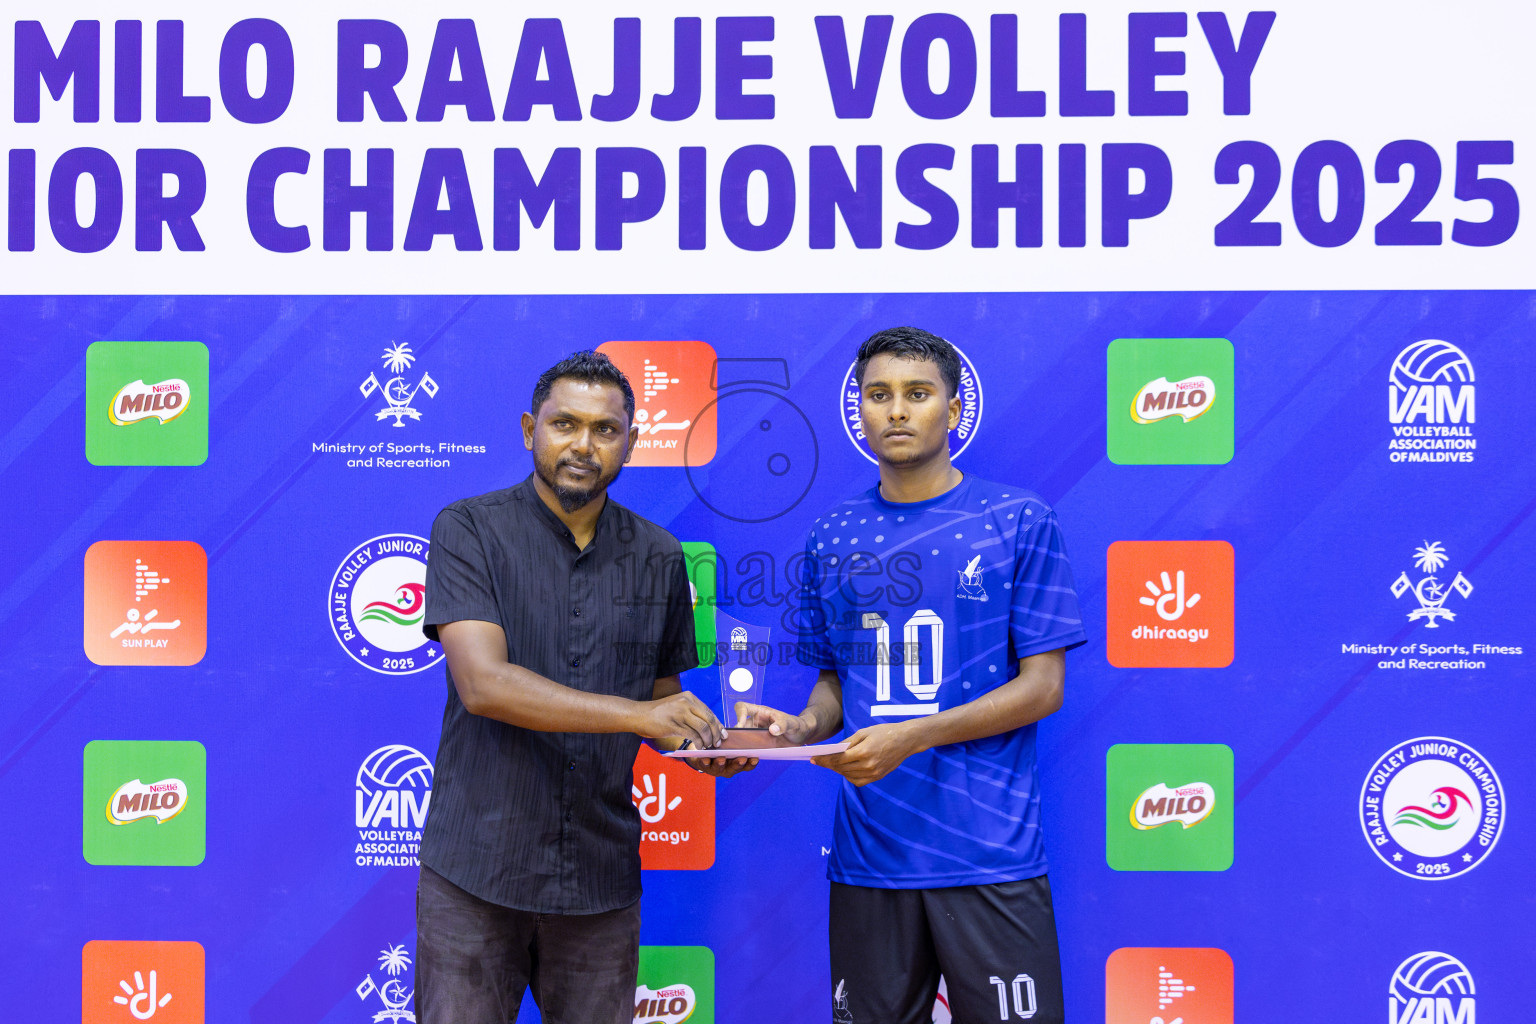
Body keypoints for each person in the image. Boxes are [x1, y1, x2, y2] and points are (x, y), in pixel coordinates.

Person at [739, 327, 1088, 1024]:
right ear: (859, 411)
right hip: (872, 856)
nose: (896, 411)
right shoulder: (831, 535)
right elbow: (836, 681)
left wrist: (911, 735)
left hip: (989, 852)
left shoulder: (1018, 520)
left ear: (954, 411)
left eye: (918, 394)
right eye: (879, 395)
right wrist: (802, 727)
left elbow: (1043, 686)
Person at [414, 350, 735, 1024]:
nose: (583, 446)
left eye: (605, 430)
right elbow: (483, 685)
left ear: (631, 443)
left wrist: (708, 746)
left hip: (599, 879)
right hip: (478, 872)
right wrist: (641, 717)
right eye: (565, 425)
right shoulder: (468, 528)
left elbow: (660, 705)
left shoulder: (660, 556)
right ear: (530, 428)